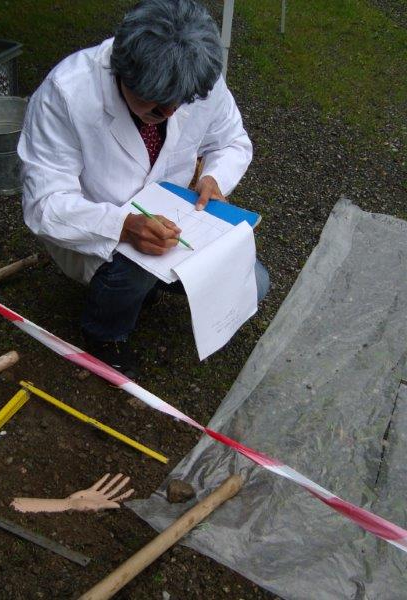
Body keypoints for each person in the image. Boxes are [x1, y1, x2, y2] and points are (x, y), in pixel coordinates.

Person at [18, 0, 269, 378]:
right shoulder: (67, 93)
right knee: (134, 269)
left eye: (180, 102)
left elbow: (231, 140)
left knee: (254, 282)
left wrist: (214, 177)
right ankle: (103, 333)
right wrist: (122, 226)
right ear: (122, 71)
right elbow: (44, 205)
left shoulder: (199, 75)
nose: (169, 113)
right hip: (98, 221)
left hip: (178, 216)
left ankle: (145, 288)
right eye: (154, 106)